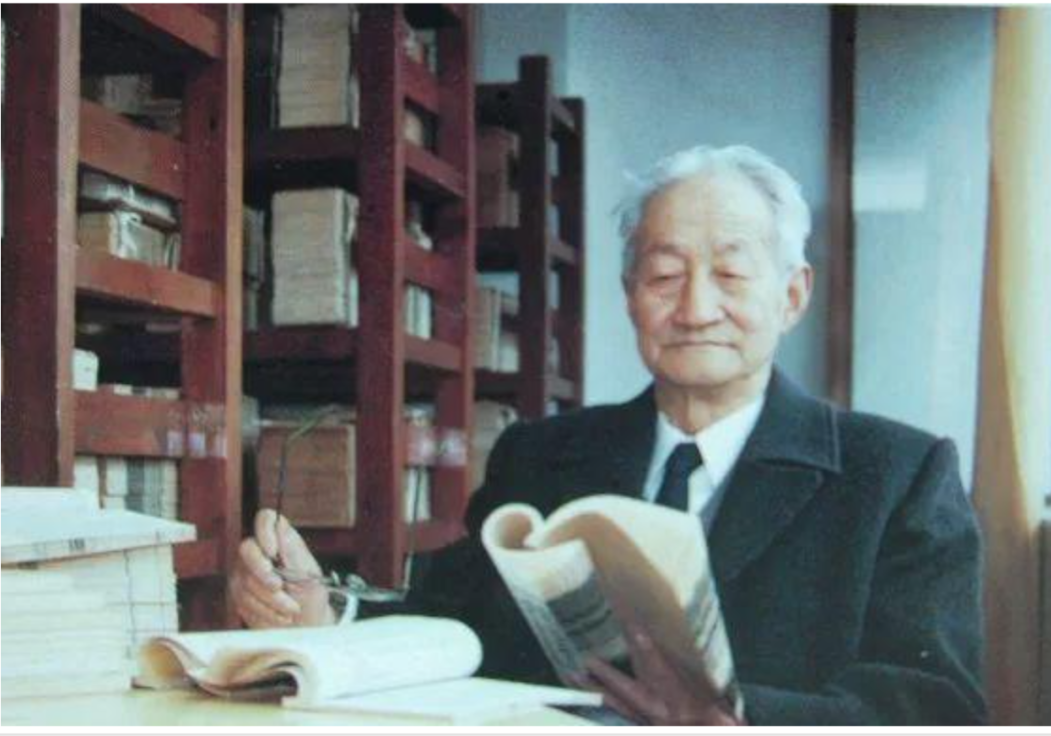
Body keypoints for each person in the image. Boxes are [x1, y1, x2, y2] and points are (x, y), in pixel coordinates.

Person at [229, 145, 986, 726]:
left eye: (731, 275)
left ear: (792, 295)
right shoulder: (540, 455)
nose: (696, 309)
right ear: (629, 298)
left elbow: (938, 707)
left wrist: (736, 718)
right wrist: (323, 611)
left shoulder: (898, 474)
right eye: (664, 276)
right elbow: (457, 621)